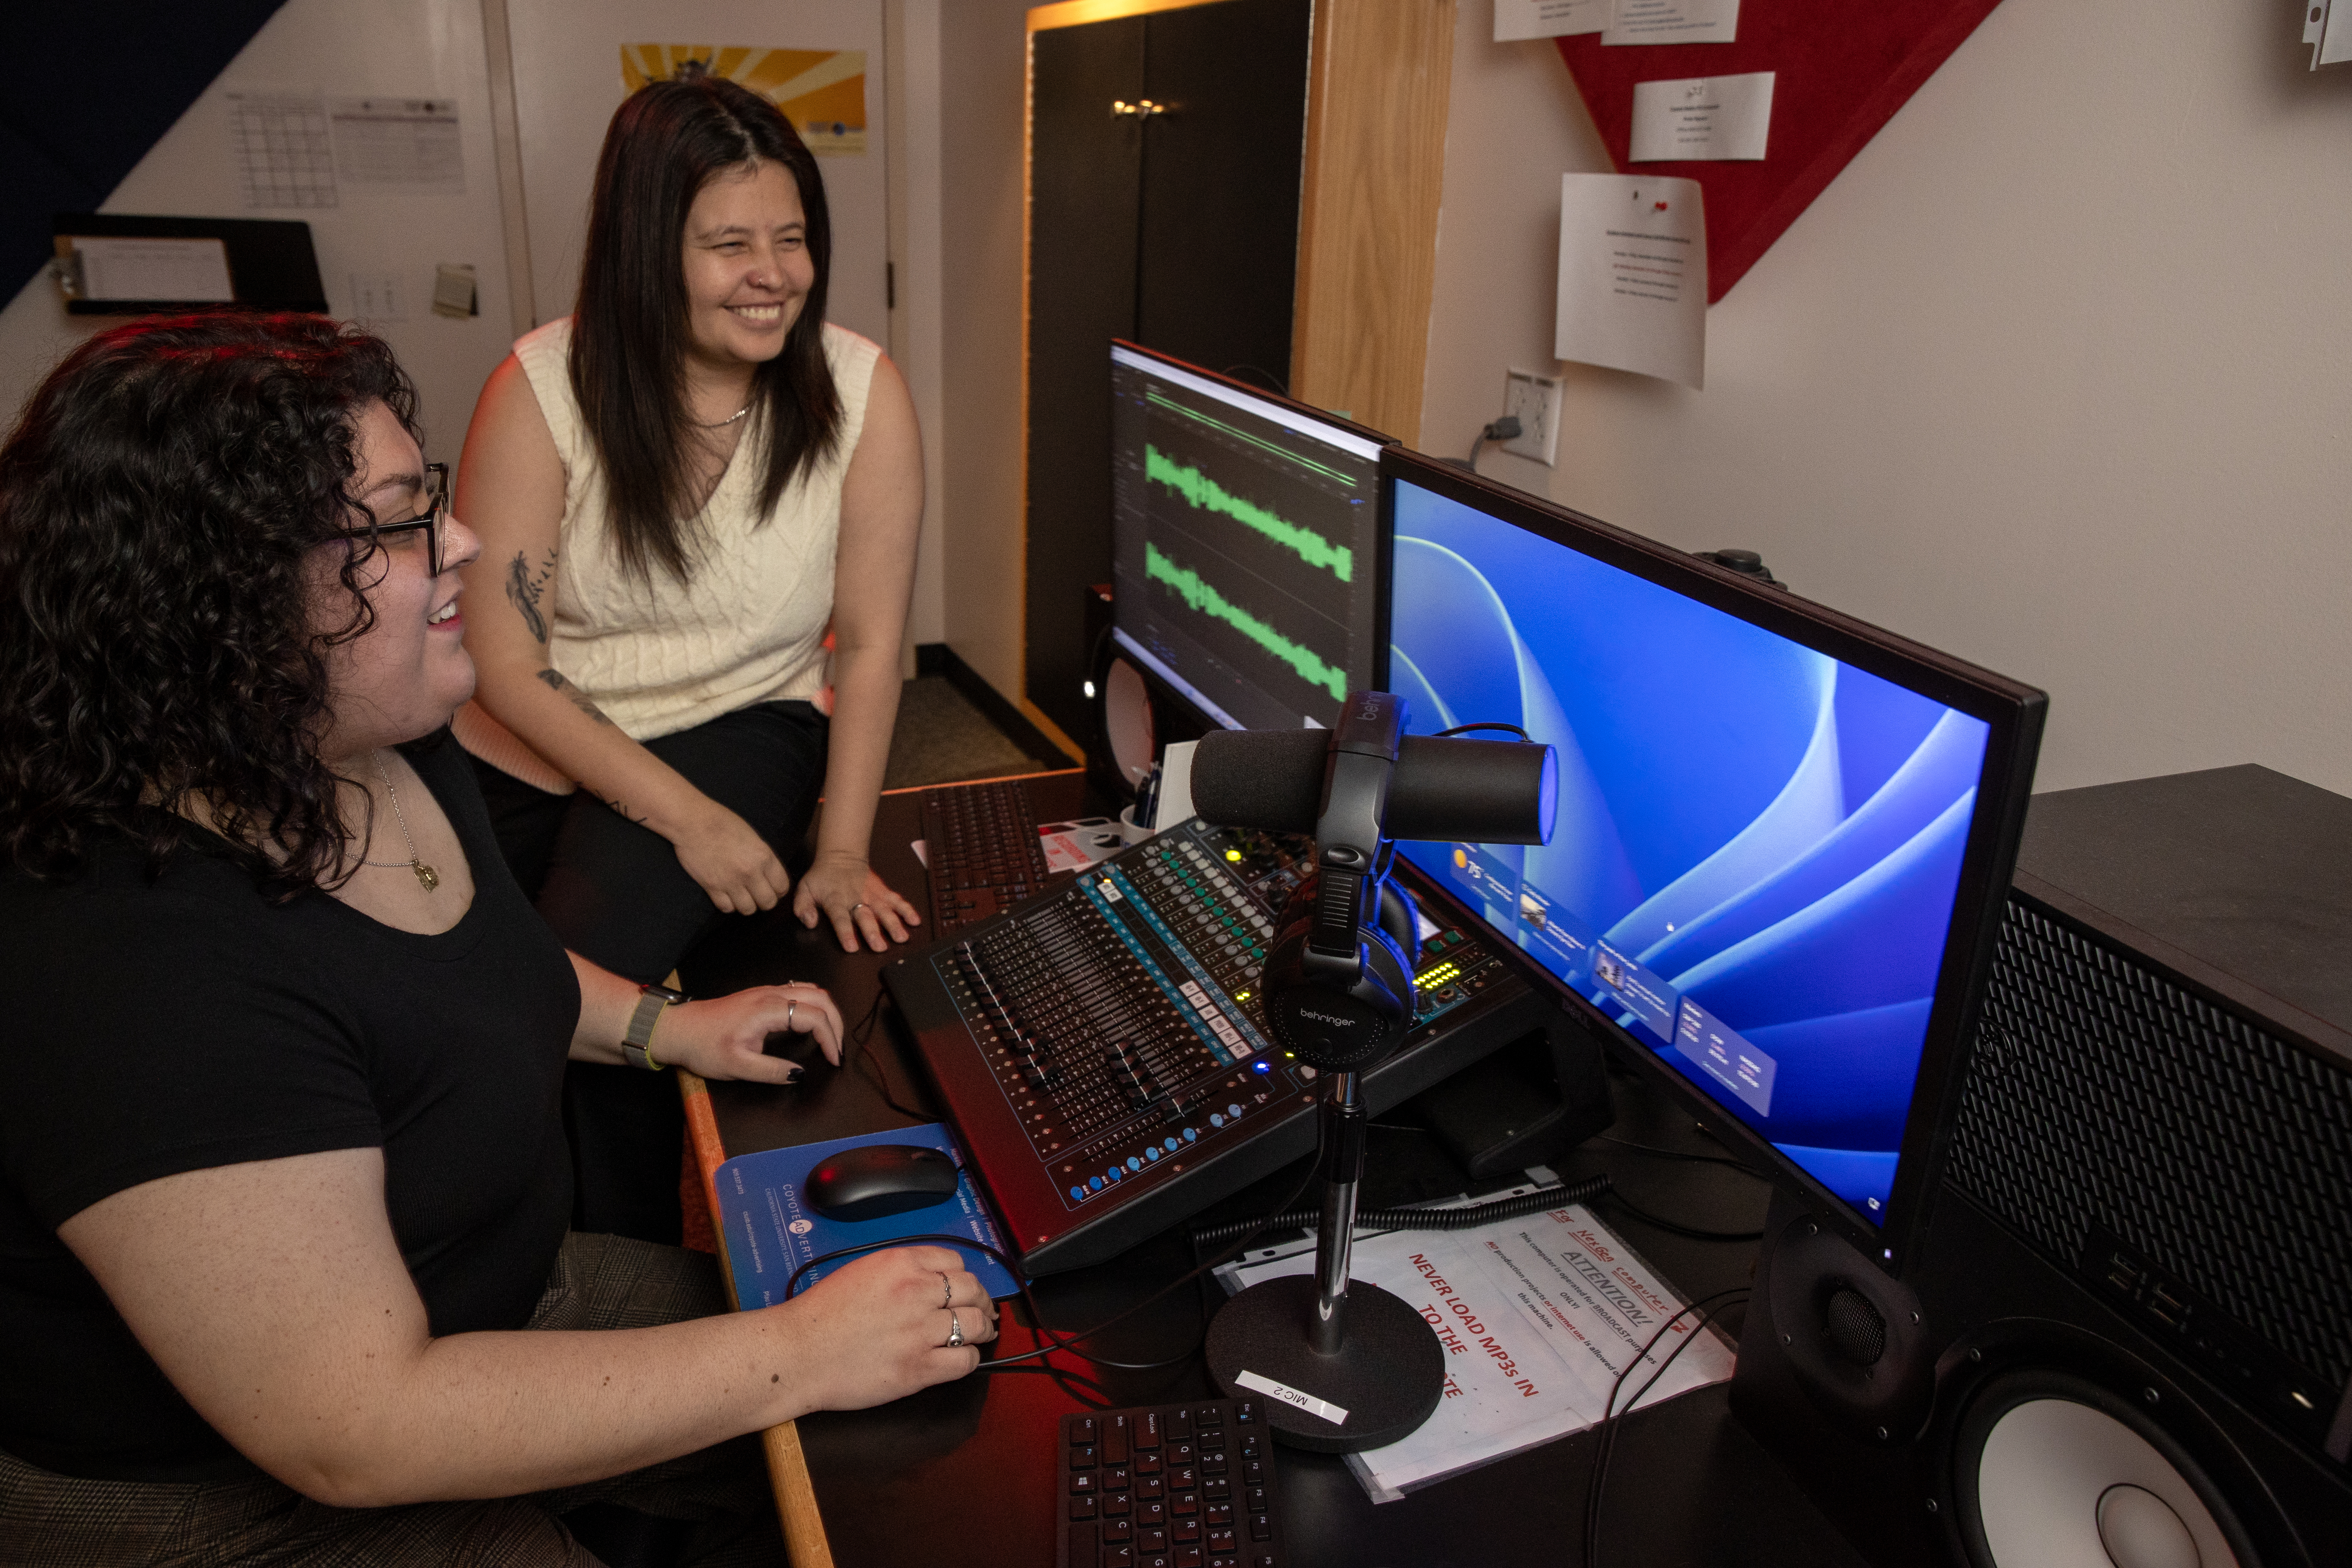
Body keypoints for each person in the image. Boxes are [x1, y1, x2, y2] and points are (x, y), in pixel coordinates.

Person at [0, 312, 996, 1564]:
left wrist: (668, 1025)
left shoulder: (373, 734)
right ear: (227, 598)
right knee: (823, 1366)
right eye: (403, 519)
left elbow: (448, 972)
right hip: (235, 1489)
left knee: (925, 1414)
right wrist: (799, 1354)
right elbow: (356, 1429)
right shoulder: (142, 970)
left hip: (481, 1289)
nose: (464, 540)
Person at [452, 76, 924, 1245]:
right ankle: (486, 1251)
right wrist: (688, 822)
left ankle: (625, 1276)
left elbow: (872, 643)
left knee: (587, 975)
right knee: (458, 985)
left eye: (792, 240)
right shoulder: (541, 388)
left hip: (739, 721)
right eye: (729, 245)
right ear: (645, 249)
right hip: (533, 730)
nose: (773, 275)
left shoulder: (860, 390)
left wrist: (842, 849)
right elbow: (505, 661)